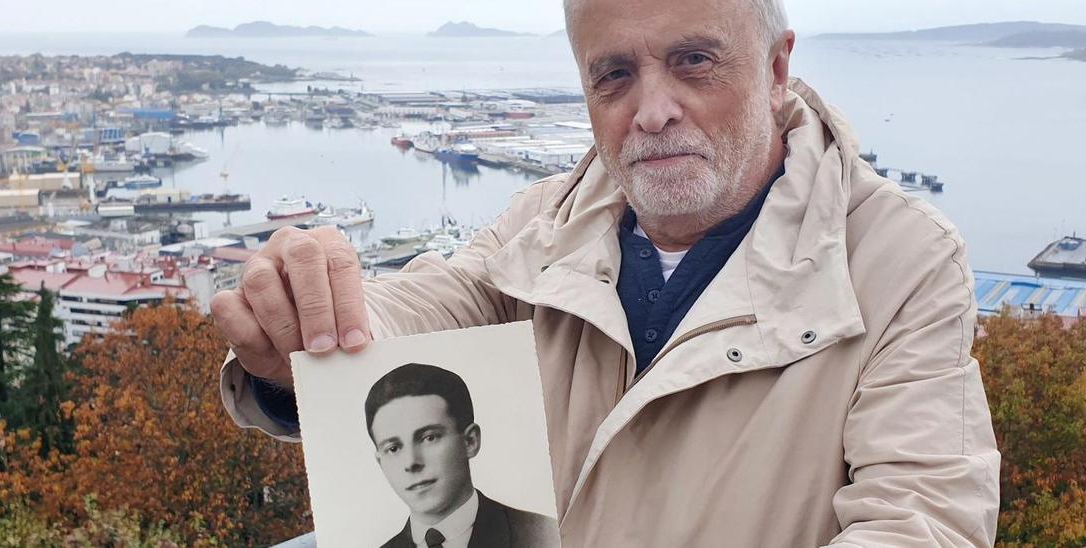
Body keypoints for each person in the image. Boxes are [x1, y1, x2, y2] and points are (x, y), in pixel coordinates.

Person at [211, 0, 1002, 544]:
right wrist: (312, 333)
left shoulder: (900, 258)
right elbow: (427, 305)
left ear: (775, 68)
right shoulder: (546, 222)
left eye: (695, 62)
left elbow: (923, 516)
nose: (652, 110)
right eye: (614, 75)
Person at [364, 363, 559, 548]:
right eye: (393, 448)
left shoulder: (543, 536)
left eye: (429, 437)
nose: (411, 462)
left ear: (470, 442)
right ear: (381, 463)